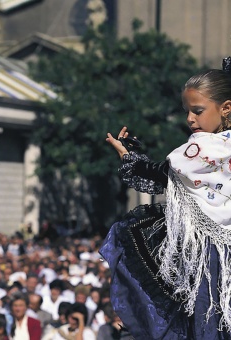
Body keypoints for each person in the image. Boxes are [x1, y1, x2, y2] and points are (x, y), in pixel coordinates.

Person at [101, 58, 231, 339]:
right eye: (187, 111)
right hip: (222, 256)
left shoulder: (201, 148)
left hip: (210, 259)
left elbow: (157, 175)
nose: (189, 119)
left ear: (226, 108)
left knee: (204, 319)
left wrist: (128, 156)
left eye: (197, 111)